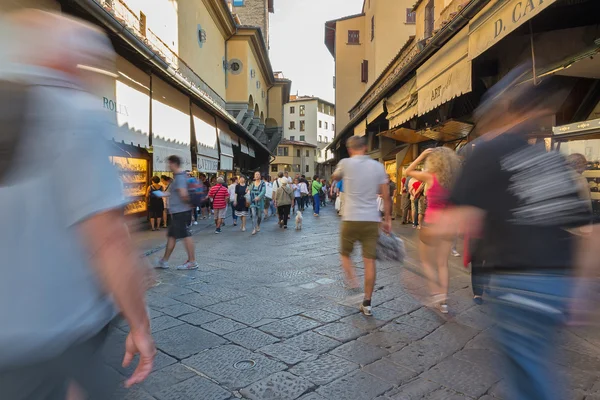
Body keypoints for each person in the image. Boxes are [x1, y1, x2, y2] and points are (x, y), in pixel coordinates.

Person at [0, 10, 155, 398]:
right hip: (57, 331)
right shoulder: (71, 114)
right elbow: (109, 241)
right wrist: (139, 323)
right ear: (66, 61)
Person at [437, 67, 591, 400]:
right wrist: (580, 290)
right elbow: (589, 231)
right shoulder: (551, 161)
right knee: (538, 366)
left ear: (500, 114)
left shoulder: (487, 152)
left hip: (519, 282)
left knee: (530, 377)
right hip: (558, 283)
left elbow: (451, 222)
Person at [332, 136, 391, 316]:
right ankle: (367, 302)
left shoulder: (345, 163)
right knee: (369, 262)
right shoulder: (378, 166)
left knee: (344, 254)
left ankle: (353, 279)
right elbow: (386, 196)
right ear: (365, 148)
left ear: (350, 150)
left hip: (350, 218)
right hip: (371, 219)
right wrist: (387, 218)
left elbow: (334, 176)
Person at [406, 147, 461, 313]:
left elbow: (408, 171)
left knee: (427, 263)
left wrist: (422, 155)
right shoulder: (454, 181)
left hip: (431, 224)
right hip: (449, 226)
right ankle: (443, 301)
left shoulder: (429, 177)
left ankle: (435, 293)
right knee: (443, 264)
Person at [156, 155, 198, 270]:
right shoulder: (181, 176)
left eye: (169, 164)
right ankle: (164, 261)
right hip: (179, 211)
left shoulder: (179, 177)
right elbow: (178, 194)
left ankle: (192, 261)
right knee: (172, 236)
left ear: (173, 163)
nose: (167, 166)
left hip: (180, 212)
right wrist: (165, 194)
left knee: (185, 235)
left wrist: (187, 205)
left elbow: (183, 194)